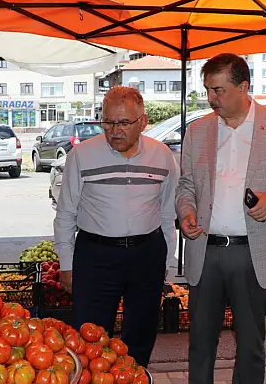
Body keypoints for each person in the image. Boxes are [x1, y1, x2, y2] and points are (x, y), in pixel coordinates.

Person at [175, 54, 266, 384]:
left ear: (244, 87)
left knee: (251, 345)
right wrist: (187, 211)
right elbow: (186, 186)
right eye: (208, 89)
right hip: (204, 251)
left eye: (219, 90)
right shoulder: (197, 131)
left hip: (253, 253)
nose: (211, 99)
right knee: (200, 345)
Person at [54, 86, 178, 367]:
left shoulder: (162, 156)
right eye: (107, 122)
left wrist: (167, 261)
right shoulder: (82, 155)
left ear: (143, 122)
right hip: (95, 257)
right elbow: (65, 213)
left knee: (141, 335)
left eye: (124, 123)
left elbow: (168, 211)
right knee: (89, 339)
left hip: (147, 255)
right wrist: (66, 263)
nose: (114, 131)